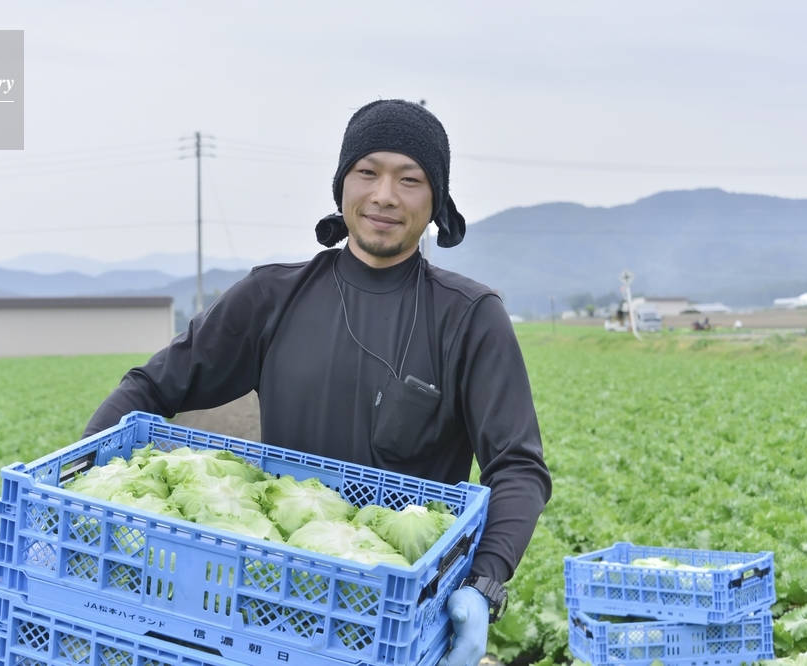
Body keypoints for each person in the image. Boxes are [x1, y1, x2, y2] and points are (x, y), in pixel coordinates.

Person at [84, 99, 552, 666]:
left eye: (410, 179)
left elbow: (518, 467)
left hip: (395, 619)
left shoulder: (468, 317)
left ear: (436, 201)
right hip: (269, 603)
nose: (385, 195)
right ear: (341, 185)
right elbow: (150, 387)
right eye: (367, 172)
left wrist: (484, 583)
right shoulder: (272, 297)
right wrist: (77, 485)